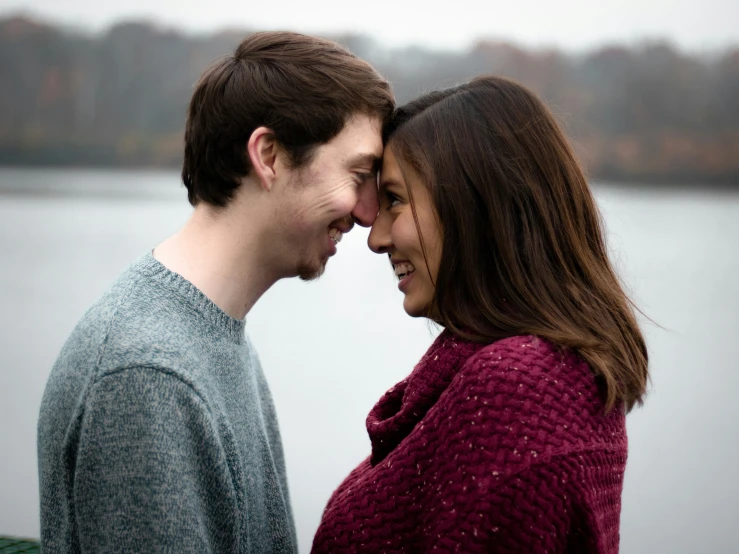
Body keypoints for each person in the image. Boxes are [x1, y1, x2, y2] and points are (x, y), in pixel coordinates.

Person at [37, 31, 393, 554]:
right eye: (358, 174)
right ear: (268, 155)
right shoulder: (147, 375)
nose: (367, 212)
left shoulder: (209, 333)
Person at [312, 76, 649, 553]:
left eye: (395, 200)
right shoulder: (526, 373)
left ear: (475, 203)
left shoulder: (519, 388)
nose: (376, 237)